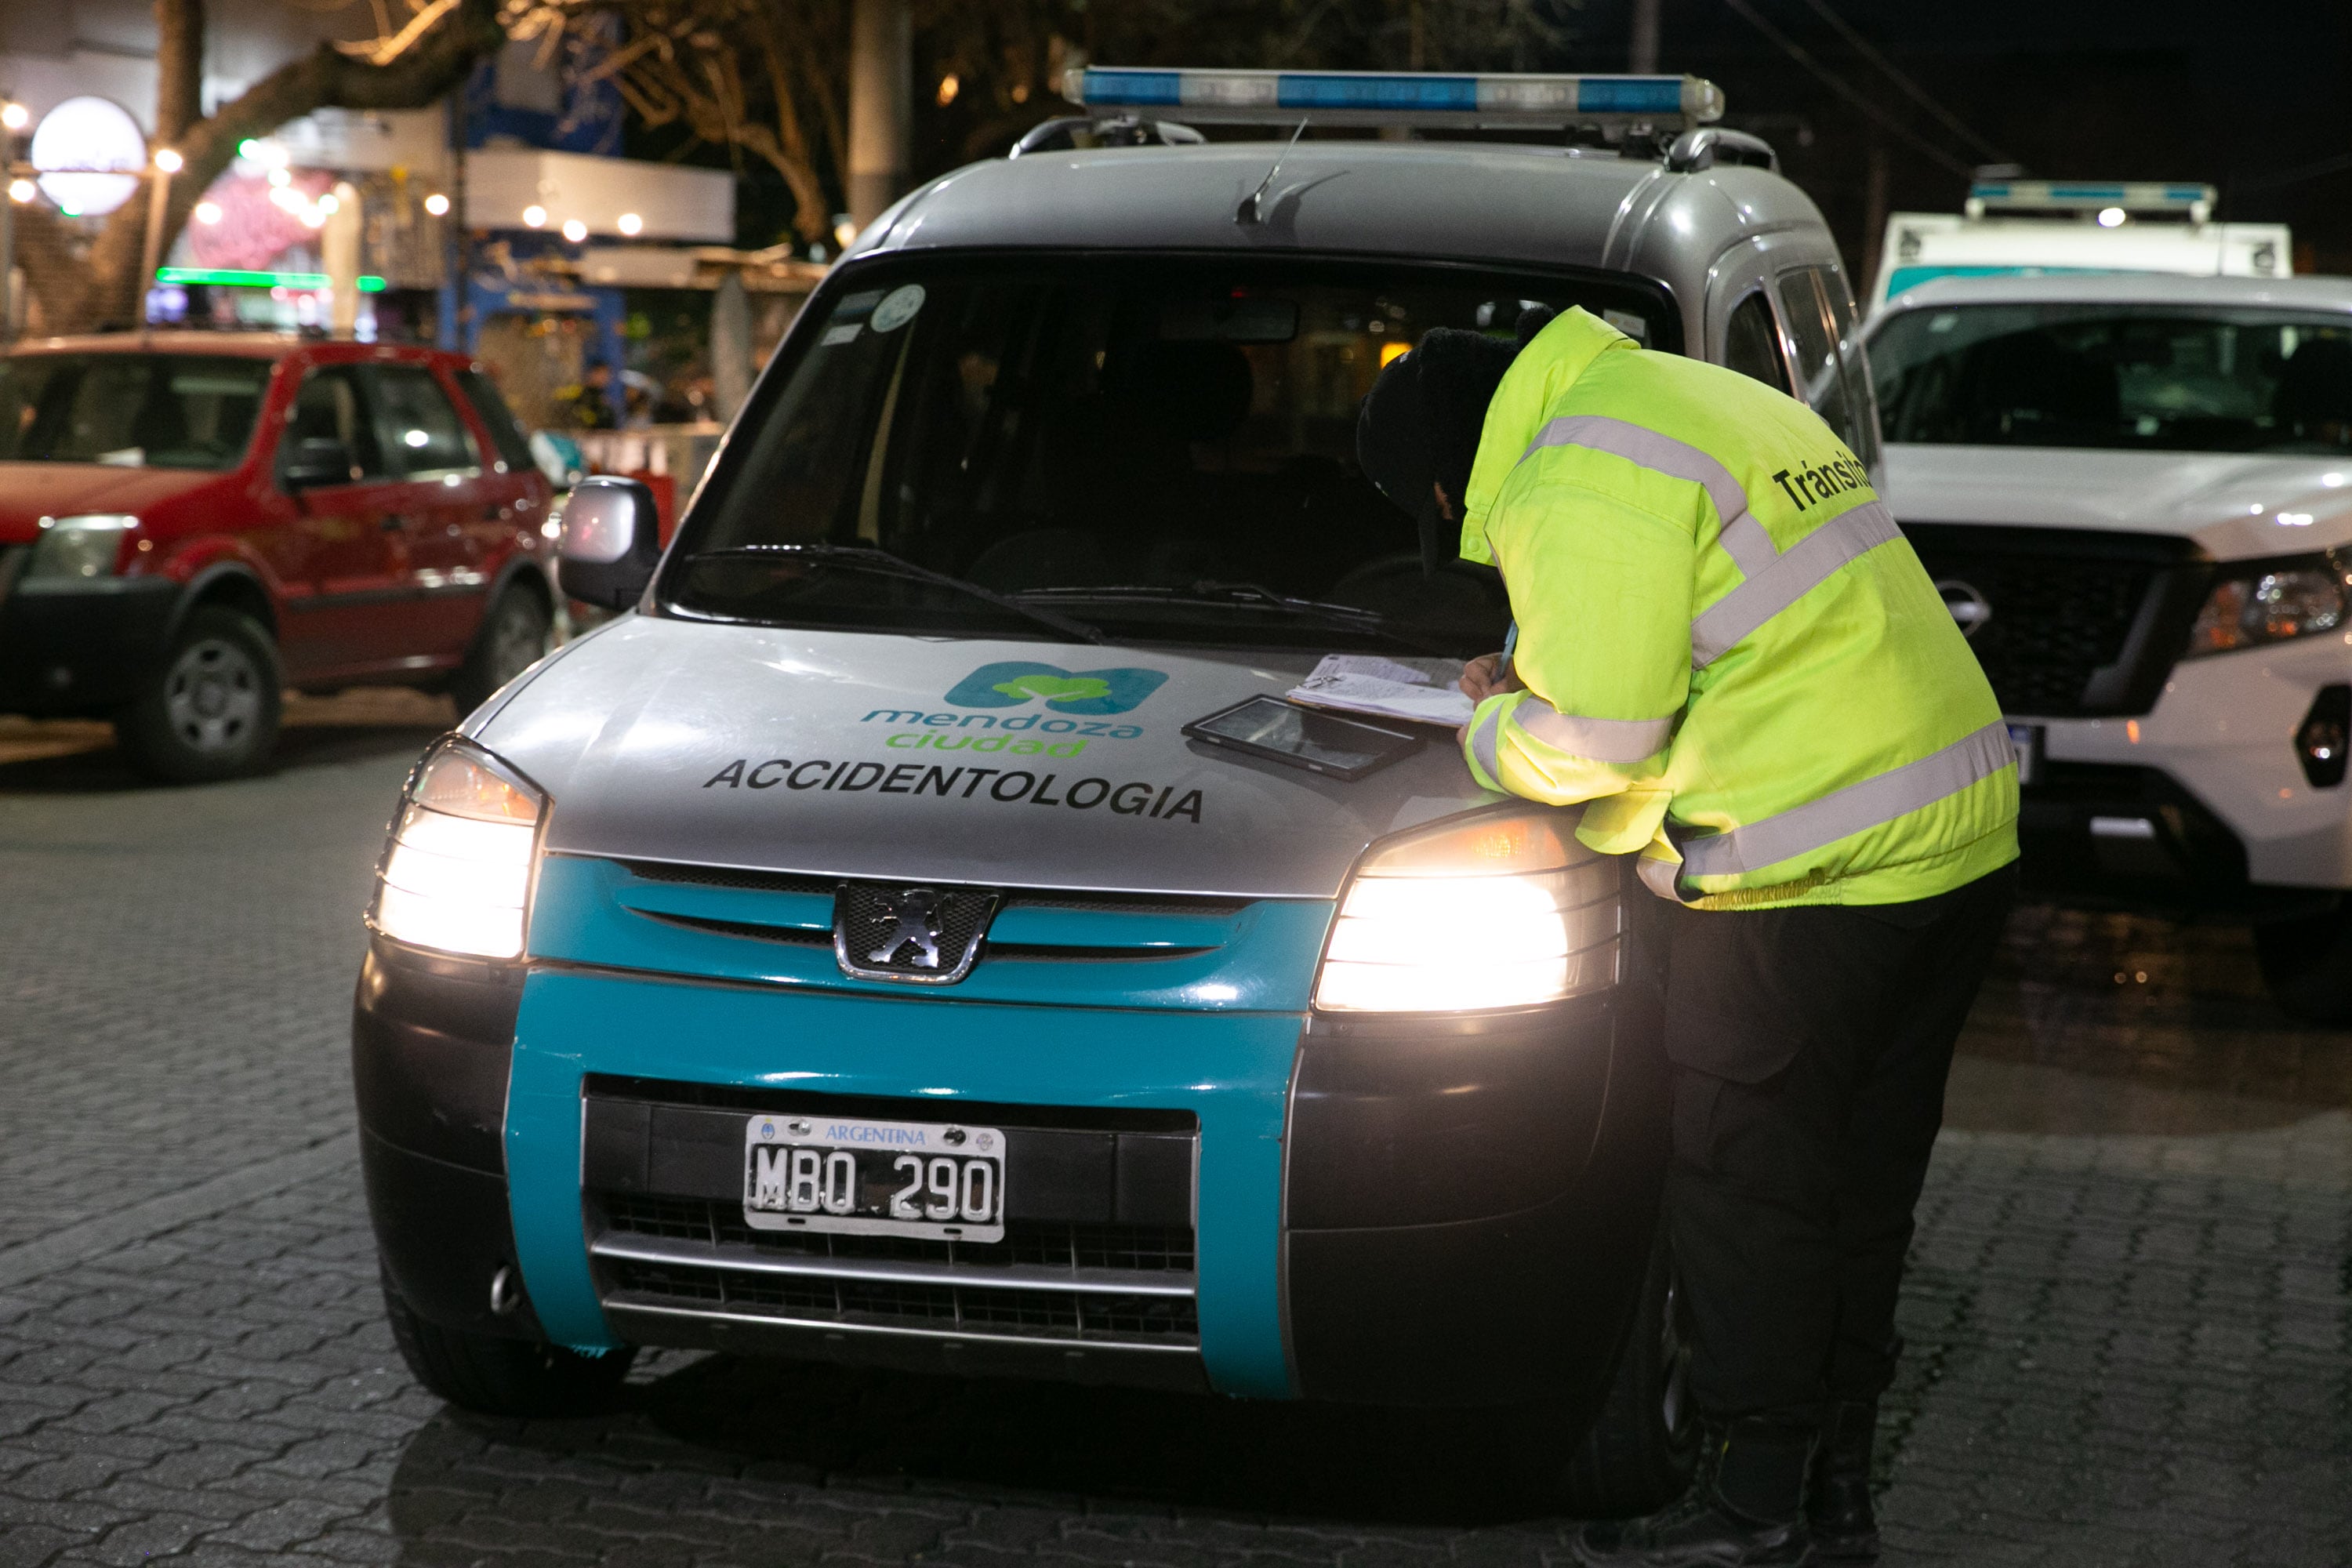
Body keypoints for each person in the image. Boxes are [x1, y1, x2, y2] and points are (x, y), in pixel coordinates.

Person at [1356, 306, 2019, 1567]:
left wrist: (1487, 729)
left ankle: (1752, 1503)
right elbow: (1717, 637)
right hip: (1954, 839)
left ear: (1449, 478)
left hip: (1810, 870)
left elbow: (1597, 746)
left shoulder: (1573, 482)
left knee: (1747, 1185)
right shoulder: (1691, 399)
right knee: (1859, 1183)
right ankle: (1838, 1493)